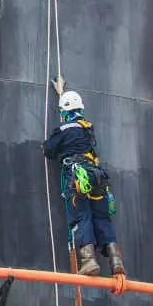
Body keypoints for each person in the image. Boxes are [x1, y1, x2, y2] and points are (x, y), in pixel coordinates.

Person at [42, 88, 125, 276]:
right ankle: (116, 260)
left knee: (82, 216)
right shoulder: (88, 128)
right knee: (101, 218)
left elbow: (48, 149)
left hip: (78, 176)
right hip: (97, 176)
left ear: (64, 111)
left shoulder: (63, 130)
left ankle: (89, 261)